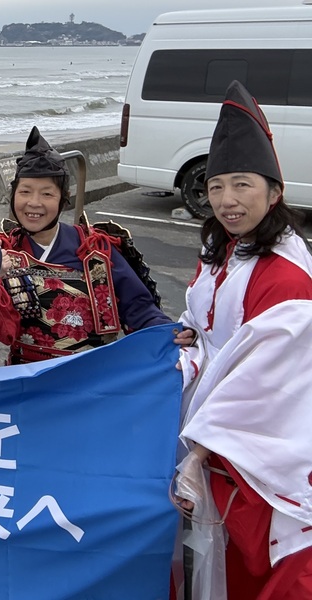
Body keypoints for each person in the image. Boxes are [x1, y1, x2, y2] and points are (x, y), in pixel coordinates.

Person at [173, 80, 312, 598]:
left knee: (268, 567)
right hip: (221, 438)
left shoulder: (286, 278)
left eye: (242, 185)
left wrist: (198, 452)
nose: (226, 201)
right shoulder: (224, 250)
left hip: (257, 450)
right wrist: (189, 336)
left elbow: (265, 385)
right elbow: (203, 322)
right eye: (215, 187)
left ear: (275, 191)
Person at [0, 126, 173, 365]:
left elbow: (140, 309)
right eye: (25, 191)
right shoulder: (2, 250)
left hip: (91, 374)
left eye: (47, 194)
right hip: (25, 375)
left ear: (63, 198)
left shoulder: (95, 248)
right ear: (14, 194)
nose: (34, 203)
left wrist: (168, 334)